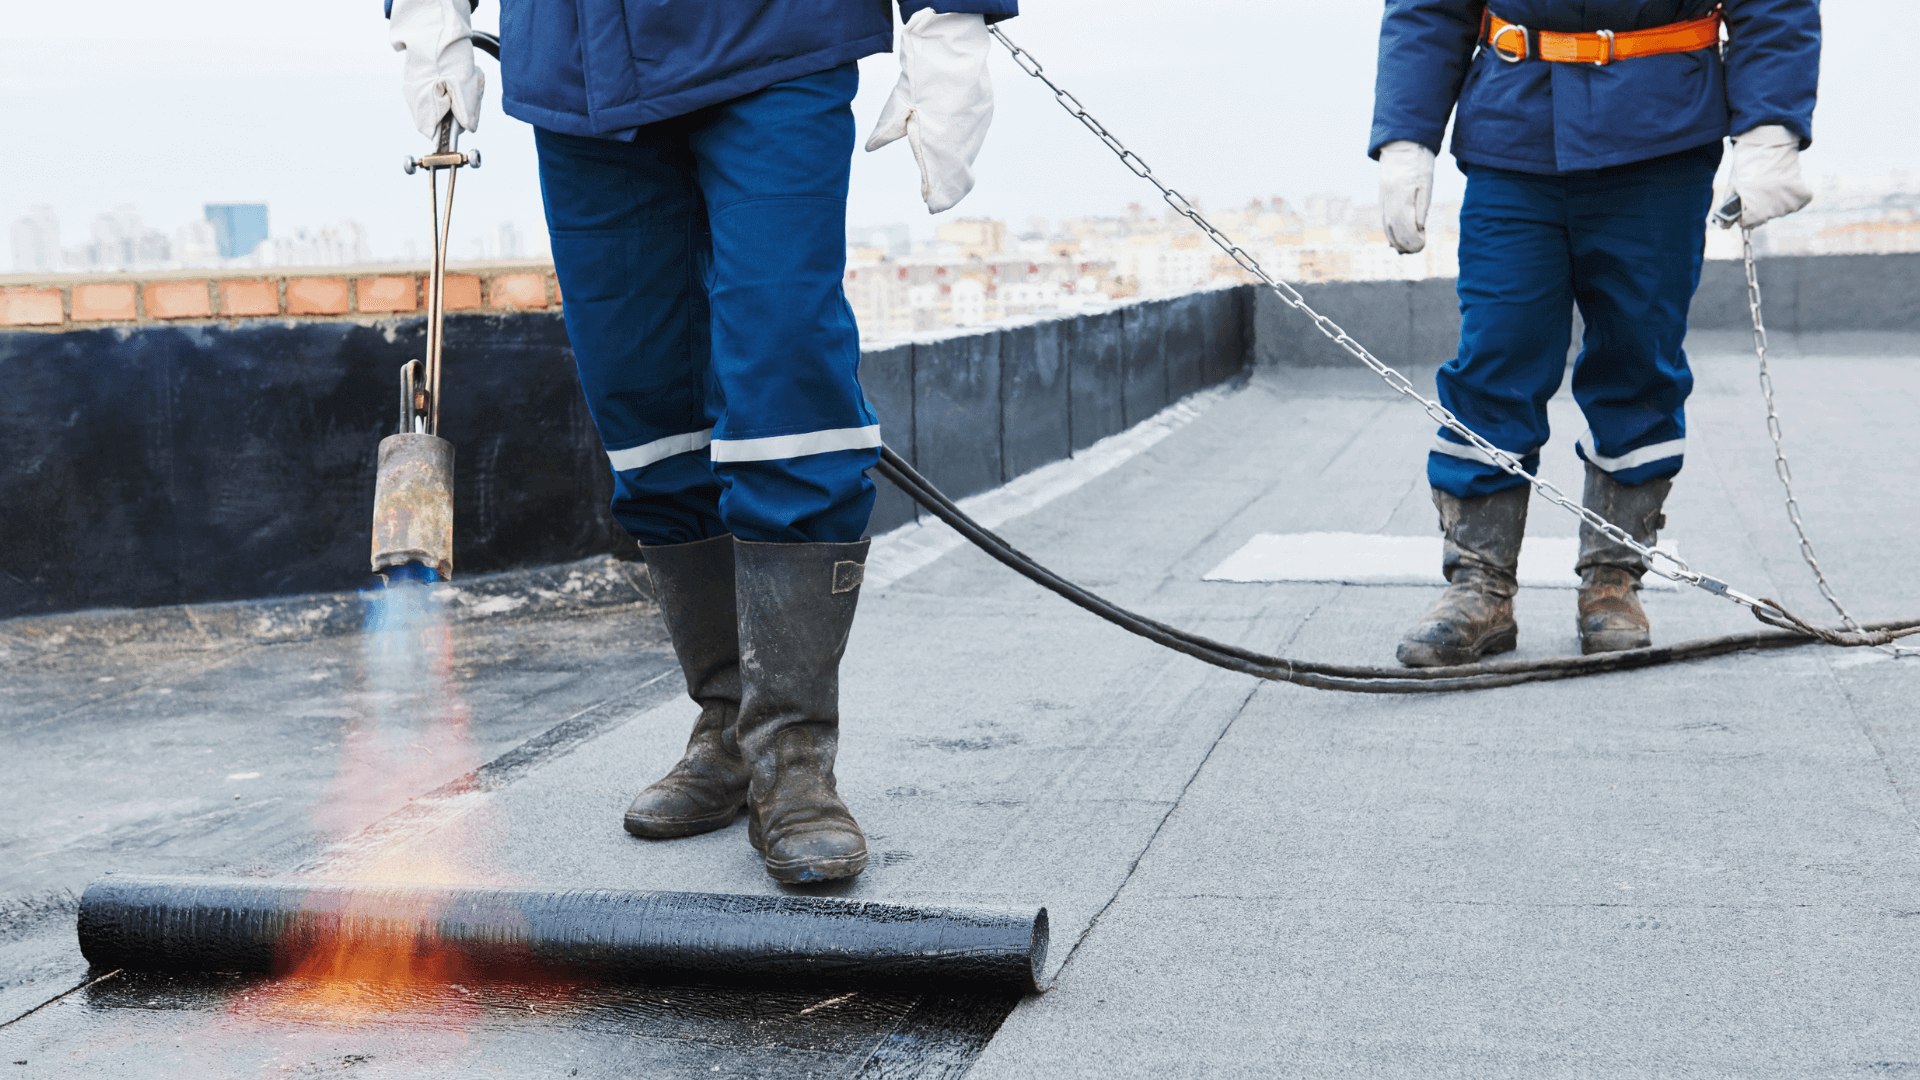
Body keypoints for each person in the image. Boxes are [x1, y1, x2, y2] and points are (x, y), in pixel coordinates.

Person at [387, 0, 1016, 882]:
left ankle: (792, 760)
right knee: (646, 409)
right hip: (580, 69)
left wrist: (950, 22)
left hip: (771, 41)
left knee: (790, 380)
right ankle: (728, 724)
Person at [1370, 0, 1819, 666]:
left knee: (1638, 362)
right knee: (1497, 352)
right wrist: (1407, 136)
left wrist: (1771, 127)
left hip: (1658, 137)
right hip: (1515, 136)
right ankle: (1479, 586)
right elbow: (1428, 7)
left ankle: (1613, 579)